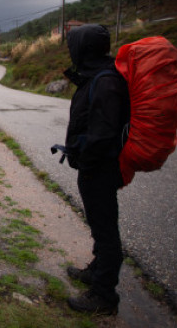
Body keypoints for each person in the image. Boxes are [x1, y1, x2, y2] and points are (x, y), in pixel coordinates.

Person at [62, 24, 130, 315]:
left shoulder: (105, 81)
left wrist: (86, 158)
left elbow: (102, 133)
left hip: (100, 167)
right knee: (99, 222)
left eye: (74, 45)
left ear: (85, 48)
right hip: (97, 166)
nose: (70, 50)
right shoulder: (98, 75)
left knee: (105, 229)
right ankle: (96, 270)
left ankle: (104, 296)